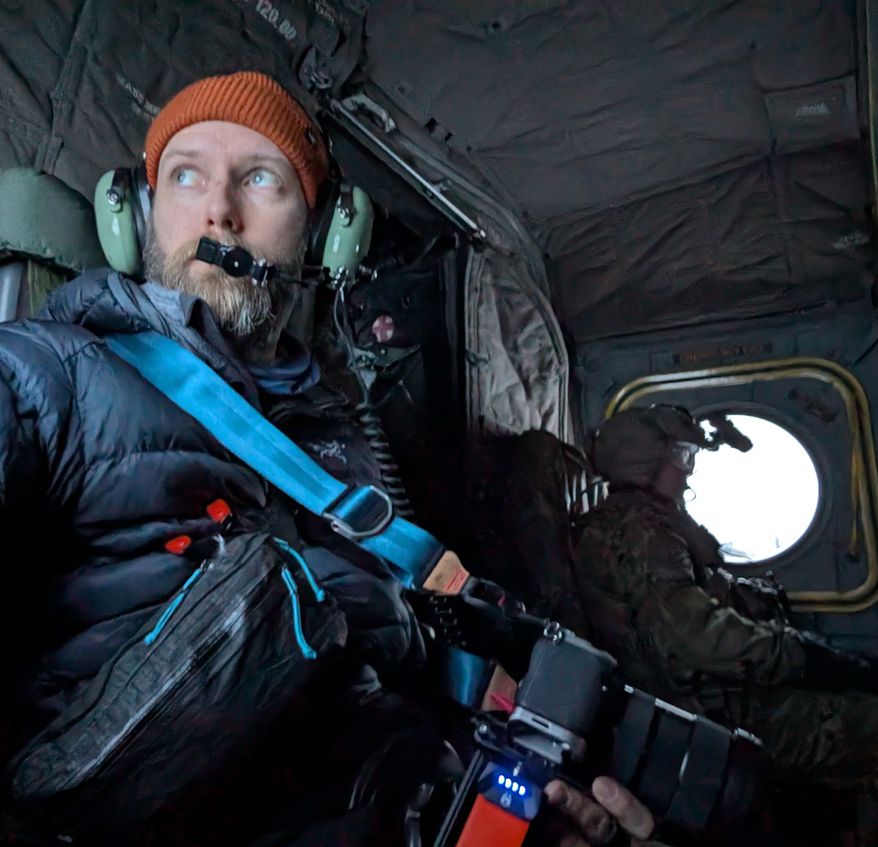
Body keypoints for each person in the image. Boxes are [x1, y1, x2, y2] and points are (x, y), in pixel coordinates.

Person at [0, 71, 656, 846]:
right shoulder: (56, 375)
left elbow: (386, 650)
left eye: (260, 179)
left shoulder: (339, 434)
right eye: (185, 176)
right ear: (136, 220)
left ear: (320, 237)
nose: (219, 209)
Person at [573, 404, 878, 798]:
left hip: (722, 696)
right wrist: (799, 655)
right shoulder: (639, 534)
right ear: (643, 464)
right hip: (718, 716)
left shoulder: (641, 523)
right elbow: (697, 639)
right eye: (682, 457)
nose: (689, 470)